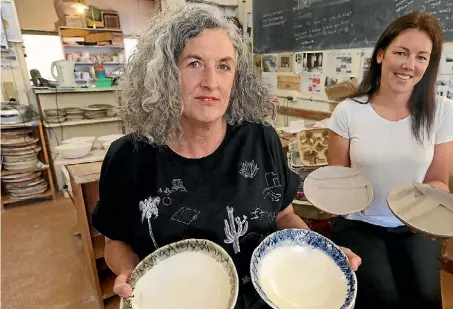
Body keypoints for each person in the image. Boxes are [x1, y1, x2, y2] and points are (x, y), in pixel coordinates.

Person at [91, 3, 361, 309]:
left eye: (223, 66)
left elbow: (284, 215)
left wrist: (322, 254)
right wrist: (129, 270)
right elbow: (115, 241)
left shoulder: (261, 139)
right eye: (194, 63)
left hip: (268, 299)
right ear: (164, 71)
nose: (211, 81)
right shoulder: (128, 156)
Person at [328, 11, 453, 309]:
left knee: (425, 299)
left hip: (415, 226)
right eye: (401, 52)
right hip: (360, 223)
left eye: (421, 57)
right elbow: (337, 174)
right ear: (381, 55)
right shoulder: (349, 111)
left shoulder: (445, 112)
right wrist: (343, 200)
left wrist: (433, 208)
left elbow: (438, 180)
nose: (409, 65)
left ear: (429, 64)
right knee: (381, 299)